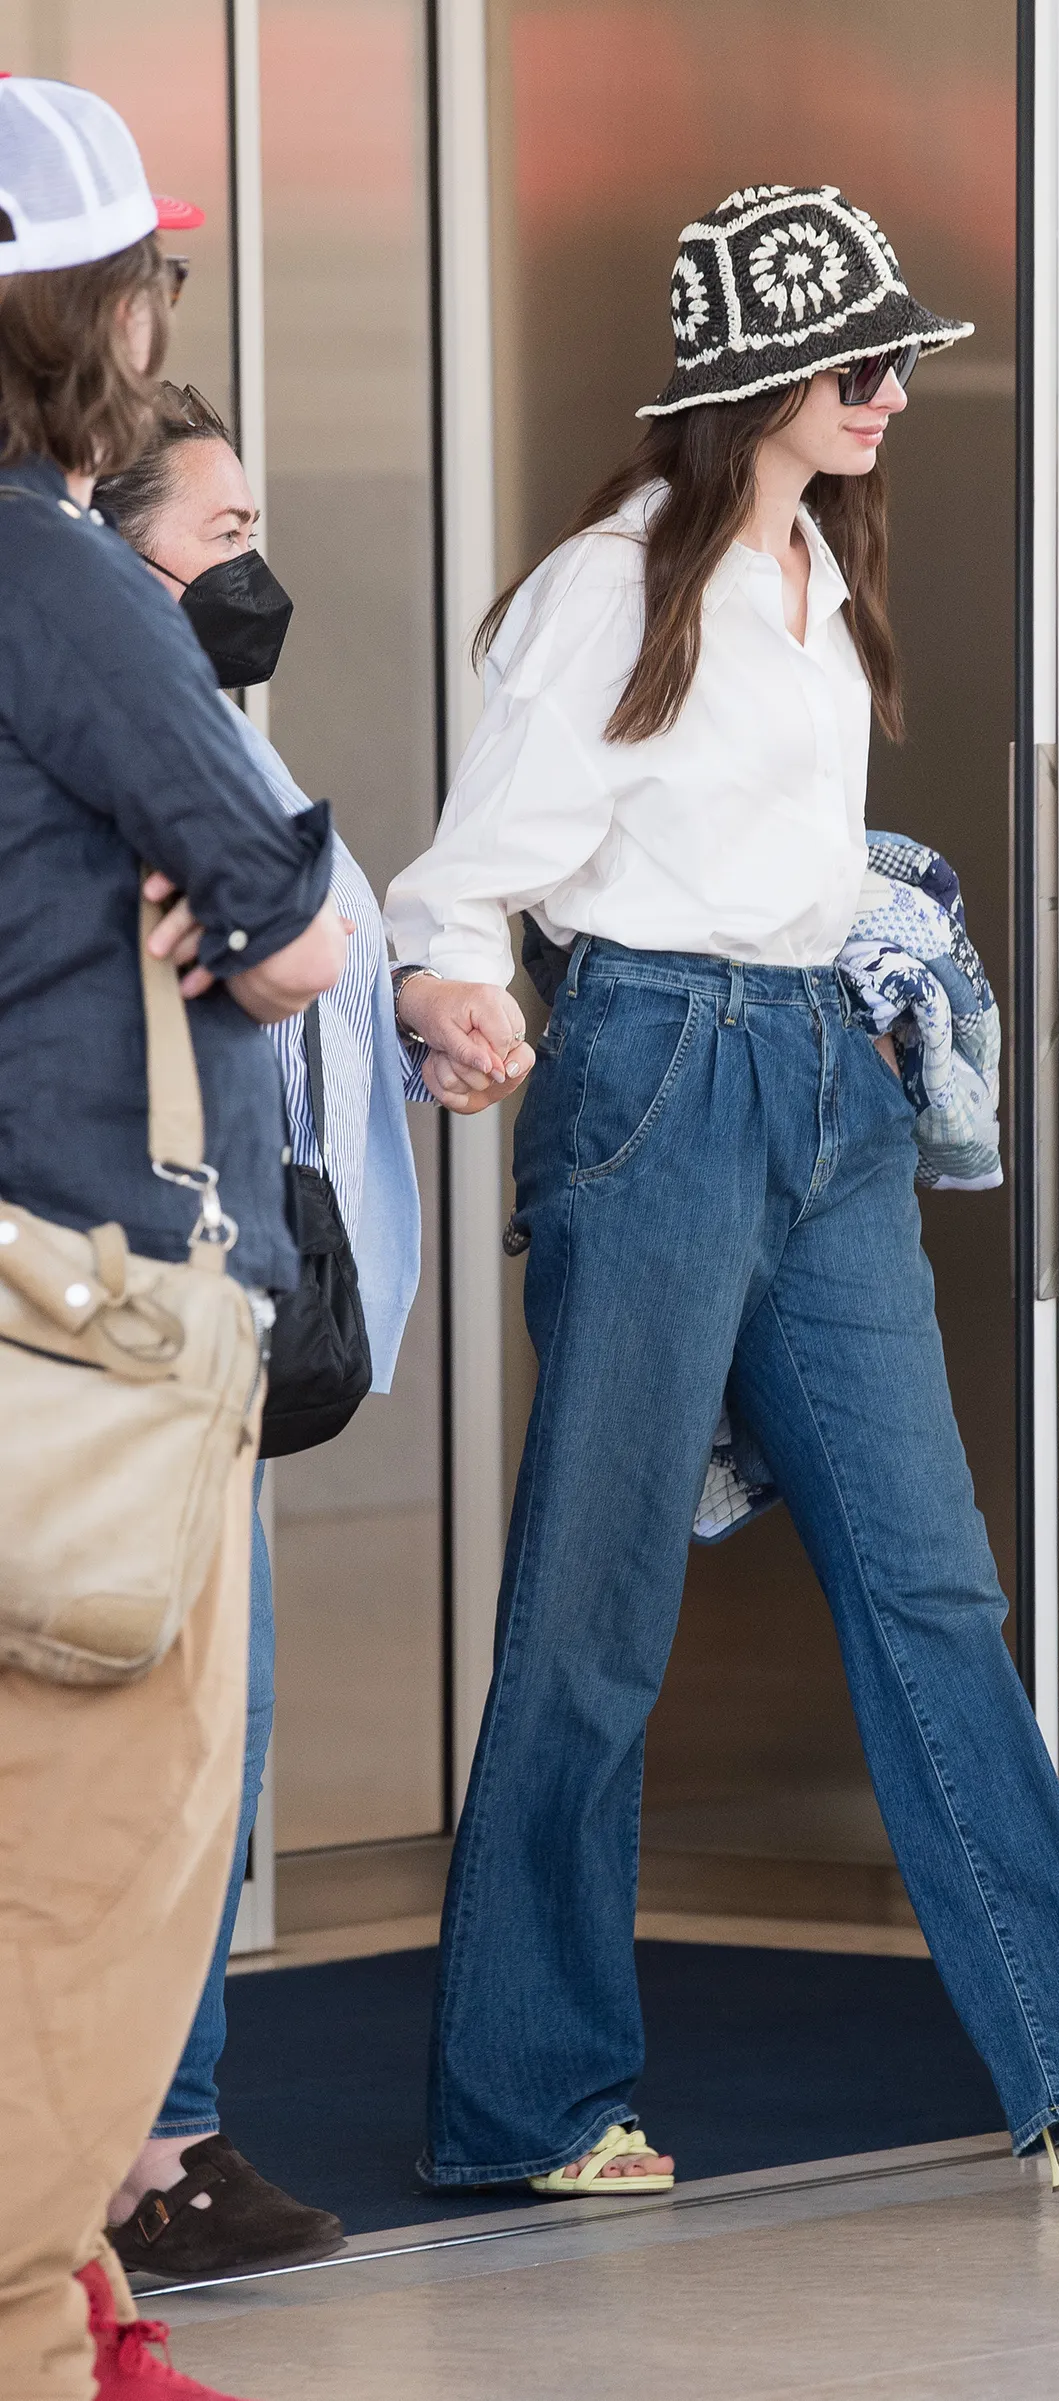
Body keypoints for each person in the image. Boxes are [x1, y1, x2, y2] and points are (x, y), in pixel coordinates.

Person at [386, 182, 1059, 2197]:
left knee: (929, 1582)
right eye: (857, 361)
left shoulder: (813, 566)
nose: (890, 390)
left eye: (897, 357)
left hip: (822, 1084)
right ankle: (526, 2099)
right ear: (748, 382)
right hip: (656, 1077)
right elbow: (468, 873)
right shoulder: (613, 589)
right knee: (594, 1615)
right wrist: (450, 990)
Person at [86, 389, 535, 2284]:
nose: (253, 573)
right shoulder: (97, 736)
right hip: (120, 1315)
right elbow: (272, 955)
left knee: (218, 1736)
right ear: (108, 557)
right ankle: (120, 2147)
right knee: (156, 1734)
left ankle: (159, 2142)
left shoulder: (217, 745)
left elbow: (324, 957)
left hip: (227, 1323)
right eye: (219, 533)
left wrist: (428, 1016)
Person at [0, 78, 348, 2401]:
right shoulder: (49, 575)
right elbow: (300, 922)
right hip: (73, 1320)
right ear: (87, 316)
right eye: (153, 277)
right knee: (84, 1882)